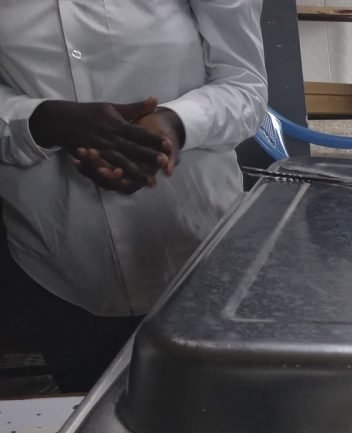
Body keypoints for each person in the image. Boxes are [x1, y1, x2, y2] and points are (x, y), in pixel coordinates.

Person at [0, 1, 269, 392]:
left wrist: (174, 124)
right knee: (88, 413)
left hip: (201, 253)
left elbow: (245, 87)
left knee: (225, 408)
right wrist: (41, 120)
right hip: (58, 267)